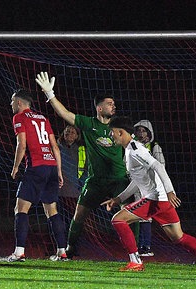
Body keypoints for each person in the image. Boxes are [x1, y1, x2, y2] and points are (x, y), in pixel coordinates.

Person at [102, 116, 196, 272]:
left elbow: (158, 166)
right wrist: (119, 198)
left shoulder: (135, 150)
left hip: (155, 198)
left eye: (112, 132)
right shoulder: (131, 150)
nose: (111, 136)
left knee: (118, 220)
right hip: (161, 200)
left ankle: (135, 262)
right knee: (178, 237)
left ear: (121, 132)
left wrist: (170, 191)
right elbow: (138, 181)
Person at [35, 72, 131, 259]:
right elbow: (64, 114)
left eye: (113, 103)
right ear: (99, 107)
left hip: (119, 179)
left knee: (130, 214)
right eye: (109, 103)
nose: (114, 106)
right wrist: (50, 94)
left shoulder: (120, 125)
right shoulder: (89, 124)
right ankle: (69, 251)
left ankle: (134, 253)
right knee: (79, 214)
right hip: (95, 181)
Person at [0, 89, 66, 262]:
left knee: (20, 209)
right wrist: (58, 171)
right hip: (51, 166)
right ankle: (62, 251)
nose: (11, 104)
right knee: (51, 210)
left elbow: (22, 145)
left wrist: (15, 167)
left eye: (12, 101)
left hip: (36, 167)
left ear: (20, 103)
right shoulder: (43, 118)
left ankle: (19, 252)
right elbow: (55, 147)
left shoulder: (19, 118)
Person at [133, 119, 166, 257]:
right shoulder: (133, 147)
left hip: (150, 186)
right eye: (138, 130)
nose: (141, 133)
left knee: (147, 216)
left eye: (143, 131)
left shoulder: (154, 147)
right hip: (136, 184)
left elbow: (161, 166)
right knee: (138, 215)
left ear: (149, 133)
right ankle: (139, 245)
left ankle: (146, 247)